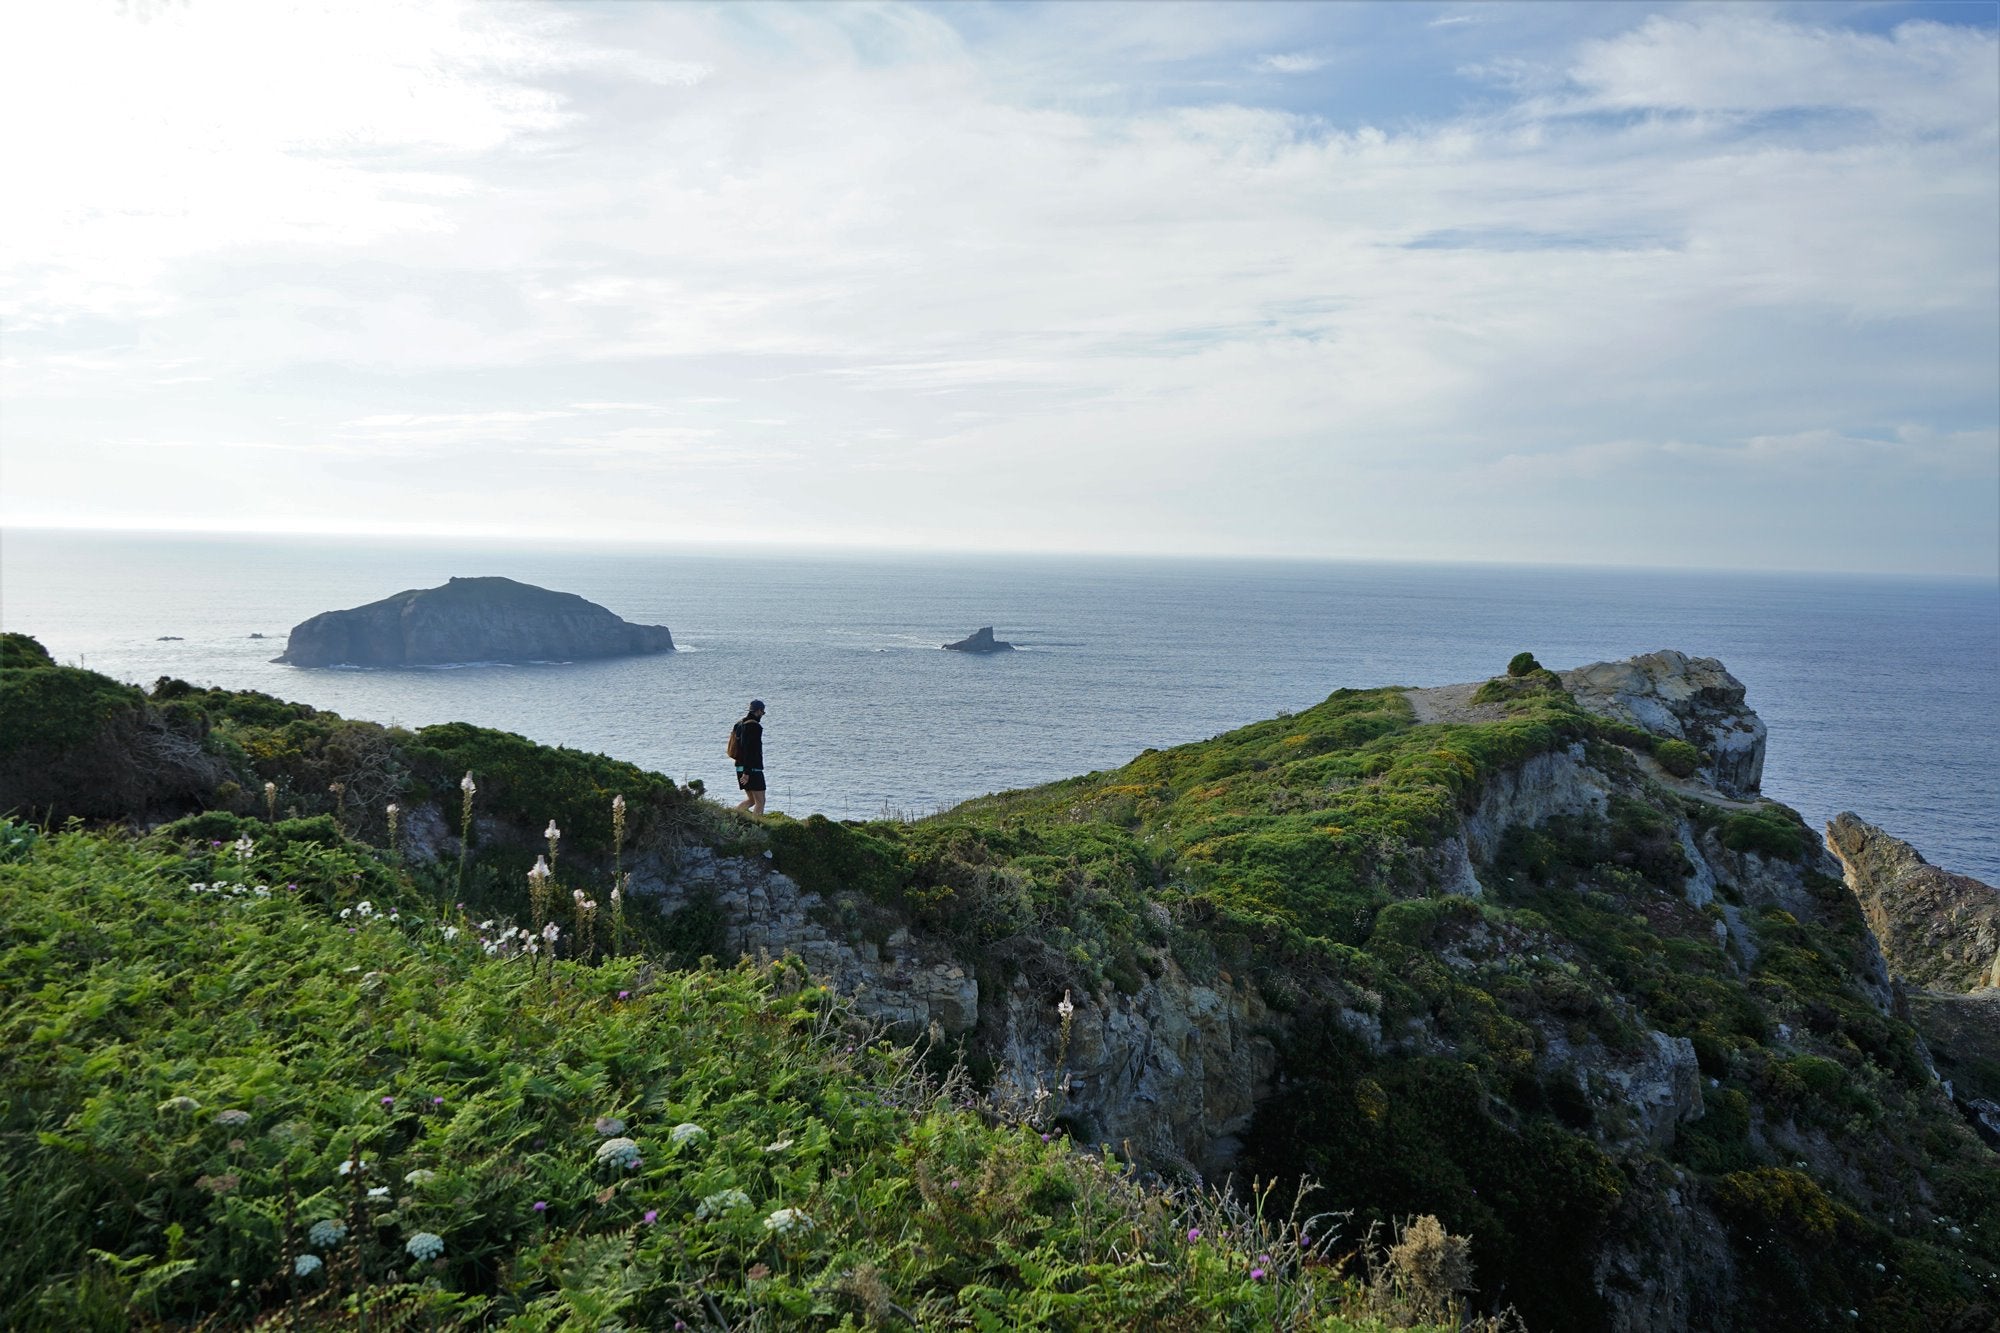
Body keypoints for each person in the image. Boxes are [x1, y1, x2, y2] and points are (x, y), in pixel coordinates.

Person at [731, 699, 767, 814]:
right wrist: (747, 773)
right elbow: (750, 750)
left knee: (752, 800)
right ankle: (757, 827)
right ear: (759, 711)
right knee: (760, 801)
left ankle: (731, 816)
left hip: (740, 767)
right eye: (763, 712)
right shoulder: (754, 727)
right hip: (751, 769)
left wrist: (744, 771)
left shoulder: (739, 724)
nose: (762, 715)